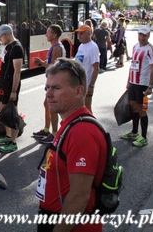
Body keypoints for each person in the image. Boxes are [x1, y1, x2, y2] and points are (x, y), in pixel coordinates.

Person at [36, 58, 107, 232]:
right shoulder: (70, 124)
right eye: (47, 87)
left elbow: (79, 196)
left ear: (78, 91)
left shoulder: (81, 131)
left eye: (57, 88)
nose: (48, 94)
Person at [121, 25, 153, 147]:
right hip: (133, 83)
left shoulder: (151, 49)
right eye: (140, 35)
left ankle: (144, 137)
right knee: (133, 107)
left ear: (148, 36)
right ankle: (134, 132)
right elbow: (132, 65)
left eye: (144, 35)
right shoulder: (135, 46)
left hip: (143, 84)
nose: (141, 37)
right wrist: (128, 81)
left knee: (142, 110)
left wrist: (150, 86)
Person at [0, 24, 24, 153]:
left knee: (12, 114)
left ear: (7, 35)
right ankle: (7, 135)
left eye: (1, 37)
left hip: (11, 85)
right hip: (4, 84)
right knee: (3, 109)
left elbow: (17, 72)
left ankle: (13, 142)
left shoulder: (16, 48)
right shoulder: (9, 46)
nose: (0, 39)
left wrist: (14, 91)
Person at [32, 25, 65, 144]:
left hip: (55, 82)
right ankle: (46, 129)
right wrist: (41, 63)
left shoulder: (57, 48)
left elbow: (53, 67)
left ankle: (54, 133)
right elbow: (51, 63)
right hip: (52, 81)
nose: (46, 35)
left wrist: (42, 63)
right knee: (47, 105)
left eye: (48, 33)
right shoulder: (54, 47)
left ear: (54, 35)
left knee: (52, 107)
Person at [74, 24, 99, 113]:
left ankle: (92, 126)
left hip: (86, 84)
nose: (79, 36)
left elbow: (96, 68)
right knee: (78, 108)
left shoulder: (93, 47)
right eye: (78, 33)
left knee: (87, 109)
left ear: (89, 34)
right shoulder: (81, 46)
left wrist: (91, 86)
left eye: (81, 33)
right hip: (78, 82)